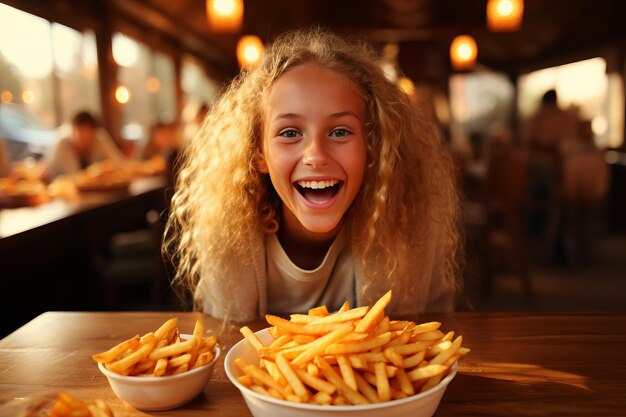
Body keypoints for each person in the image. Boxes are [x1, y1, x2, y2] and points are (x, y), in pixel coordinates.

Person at [163, 27, 463, 322]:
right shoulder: (223, 228)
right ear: (257, 154)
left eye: (340, 131)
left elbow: (433, 321)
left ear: (374, 146)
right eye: (290, 132)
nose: (316, 156)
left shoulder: (410, 217)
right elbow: (225, 336)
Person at [41, 111, 126, 180]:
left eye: (87, 133)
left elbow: (119, 162)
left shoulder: (98, 139)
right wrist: (95, 172)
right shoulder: (63, 144)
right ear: (73, 129)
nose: (83, 138)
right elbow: (72, 177)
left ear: (93, 132)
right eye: (80, 132)